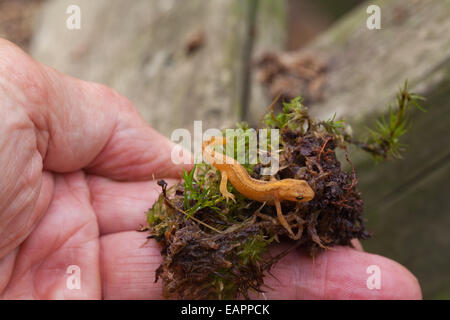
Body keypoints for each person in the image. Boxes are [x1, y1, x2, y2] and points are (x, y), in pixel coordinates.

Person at [0, 39, 421, 299]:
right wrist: (277, 216)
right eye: (298, 195)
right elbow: (268, 198)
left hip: (238, 173)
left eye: (299, 195)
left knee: (236, 176)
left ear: (290, 188)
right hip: (232, 173)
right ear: (288, 192)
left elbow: (275, 188)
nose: (299, 197)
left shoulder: (277, 190)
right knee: (229, 178)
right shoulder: (272, 195)